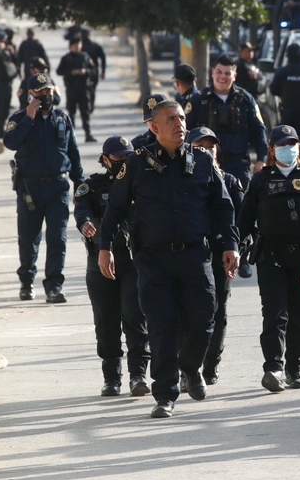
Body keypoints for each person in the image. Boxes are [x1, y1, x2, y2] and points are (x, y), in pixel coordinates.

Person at [98, 100, 238, 419]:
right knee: (162, 326)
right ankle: (165, 394)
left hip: (195, 255)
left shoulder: (202, 161)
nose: (180, 124)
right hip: (153, 258)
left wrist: (230, 243)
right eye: (171, 119)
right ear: (154, 127)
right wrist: (105, 247)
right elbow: (115, 209)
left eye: (182, 118)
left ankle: (189, 366)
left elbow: (223, 206)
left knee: (205, 318)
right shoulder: (135, 165)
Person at [239, 125, 300, 392]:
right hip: (271, 257)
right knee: (274, 314)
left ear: (299, 148)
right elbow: (245, 220)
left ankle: (294, 367)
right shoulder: (261, 180)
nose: (288, 148)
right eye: (282, 144)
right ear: (272, 149)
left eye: (292, 144)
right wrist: (236, 249)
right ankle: (273, 367)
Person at [75, 136, 150, 397]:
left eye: (128, 158)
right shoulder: (92, 186)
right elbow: (81, 211)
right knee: (106, 321)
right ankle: (111, 377)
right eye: (118, 159)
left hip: (133, 261)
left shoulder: (142, 183)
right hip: (101, 261)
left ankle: (138, 374)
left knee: (135, 317)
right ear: (106, 159)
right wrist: (85, 224)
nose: (123, 163)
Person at [3, 73, 84, 302]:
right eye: (40, 92)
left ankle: (54, 287)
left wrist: (80, 185)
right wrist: (29, 118)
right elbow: (10, 143)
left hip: (58, 187)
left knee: (58, 238)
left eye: (48, 91)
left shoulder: (62, 119)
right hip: (30, 189)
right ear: (31, 95)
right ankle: (27, 282)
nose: (45, 96)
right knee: (29, 238)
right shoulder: (19, 118)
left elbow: (74, 154)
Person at [186, 126, 246, 386]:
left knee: (217, 312)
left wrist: (236, 247)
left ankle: (210, 366)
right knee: (188, 313)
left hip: (220, 253)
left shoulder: (230, 182)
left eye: (210, 146)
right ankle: (187, 366)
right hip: (191, 253)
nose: (206, 151)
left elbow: (241, 218)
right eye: (200, 147)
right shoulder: (182, 179)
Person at [185, 54, 268, 186]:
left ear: (234, 76)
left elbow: (259, 130)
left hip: (238, 166)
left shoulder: (245, 100)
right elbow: (186, 132)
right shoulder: (198, 100)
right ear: (212, 73)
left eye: (227, 73)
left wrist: (261, 159)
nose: (222, 77)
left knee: (241, 204)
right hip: (205, 165)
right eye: (219, 72)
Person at [269, 43, 300, 162]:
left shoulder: (282, 72)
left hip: (288, 113)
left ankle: (288, 163)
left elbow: (273, 90)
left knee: (287, 141)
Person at [56, 35, 97, 143]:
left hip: (84, 89)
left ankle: (88, 134)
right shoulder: (66, 58)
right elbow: (59, 71)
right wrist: (71, 72)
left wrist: (85, 72)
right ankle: (71, 136)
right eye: (74, 45)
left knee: (85, 112)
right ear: (71, 46)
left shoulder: (86, 57)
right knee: (71, 113)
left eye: (78, 44)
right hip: (71, 89)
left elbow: (93, 71)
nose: (77, 47)